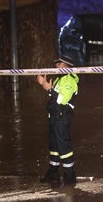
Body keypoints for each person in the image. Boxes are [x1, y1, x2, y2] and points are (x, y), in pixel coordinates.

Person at [37, 55, 79, 187]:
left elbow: (62, 100)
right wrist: (44, 85)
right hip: (54, 116)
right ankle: (53, 173)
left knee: (63, 146)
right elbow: (53, 97)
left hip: (62, 116)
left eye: (59, 64)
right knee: (54, 146)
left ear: (66, 65)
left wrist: (48, 88)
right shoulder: (59, 79)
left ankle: (70, 175)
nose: (56, 66)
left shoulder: (69, 80)